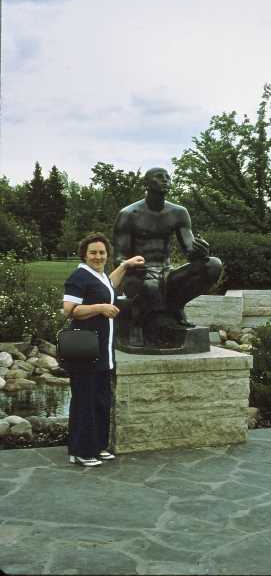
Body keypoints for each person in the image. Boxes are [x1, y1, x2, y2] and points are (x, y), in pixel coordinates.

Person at [63, 232, 144, 467]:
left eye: (102, 252)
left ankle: (98, 446)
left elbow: (110, 283)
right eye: (93, 253)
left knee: (100, 399)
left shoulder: (98, 276)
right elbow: (70, 309)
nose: (98, 256)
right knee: (84, 401)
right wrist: (100, 308)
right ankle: (80, 451)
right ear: (84, 254)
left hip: (102, 350)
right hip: (83, 347)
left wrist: (125, 265)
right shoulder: (78, 277)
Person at [113, 167, 222, 343]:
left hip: (166, 273)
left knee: (213, 266)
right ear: (146, 184)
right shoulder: (128, 214)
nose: (165, 180)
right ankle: (136, 323)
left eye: (167, 177)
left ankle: (176, 306)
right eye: (159, 177)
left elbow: (189, 250)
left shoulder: (179, 212)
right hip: (137, 274)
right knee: (150, 285)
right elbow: (119, 258)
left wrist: (200, 251)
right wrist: (132, 265)